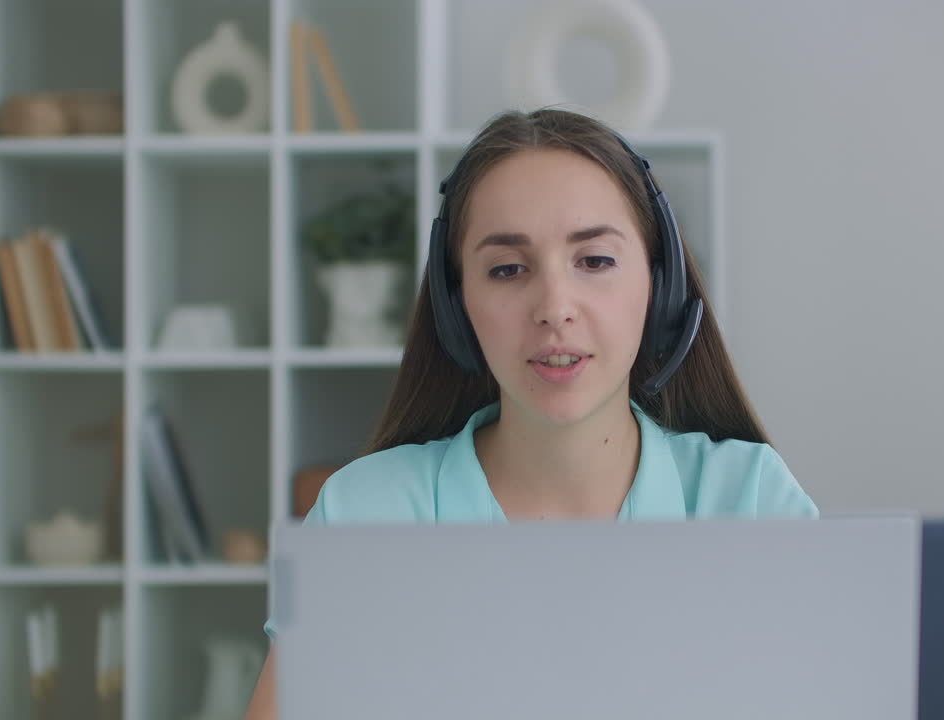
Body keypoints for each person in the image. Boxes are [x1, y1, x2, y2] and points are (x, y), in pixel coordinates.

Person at [243, 107, 818, 718]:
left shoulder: (750, 501)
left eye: (595, 260)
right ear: (456, 306)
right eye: (507, 269)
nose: (554, 307)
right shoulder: (363, 515)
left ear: (660, 285)